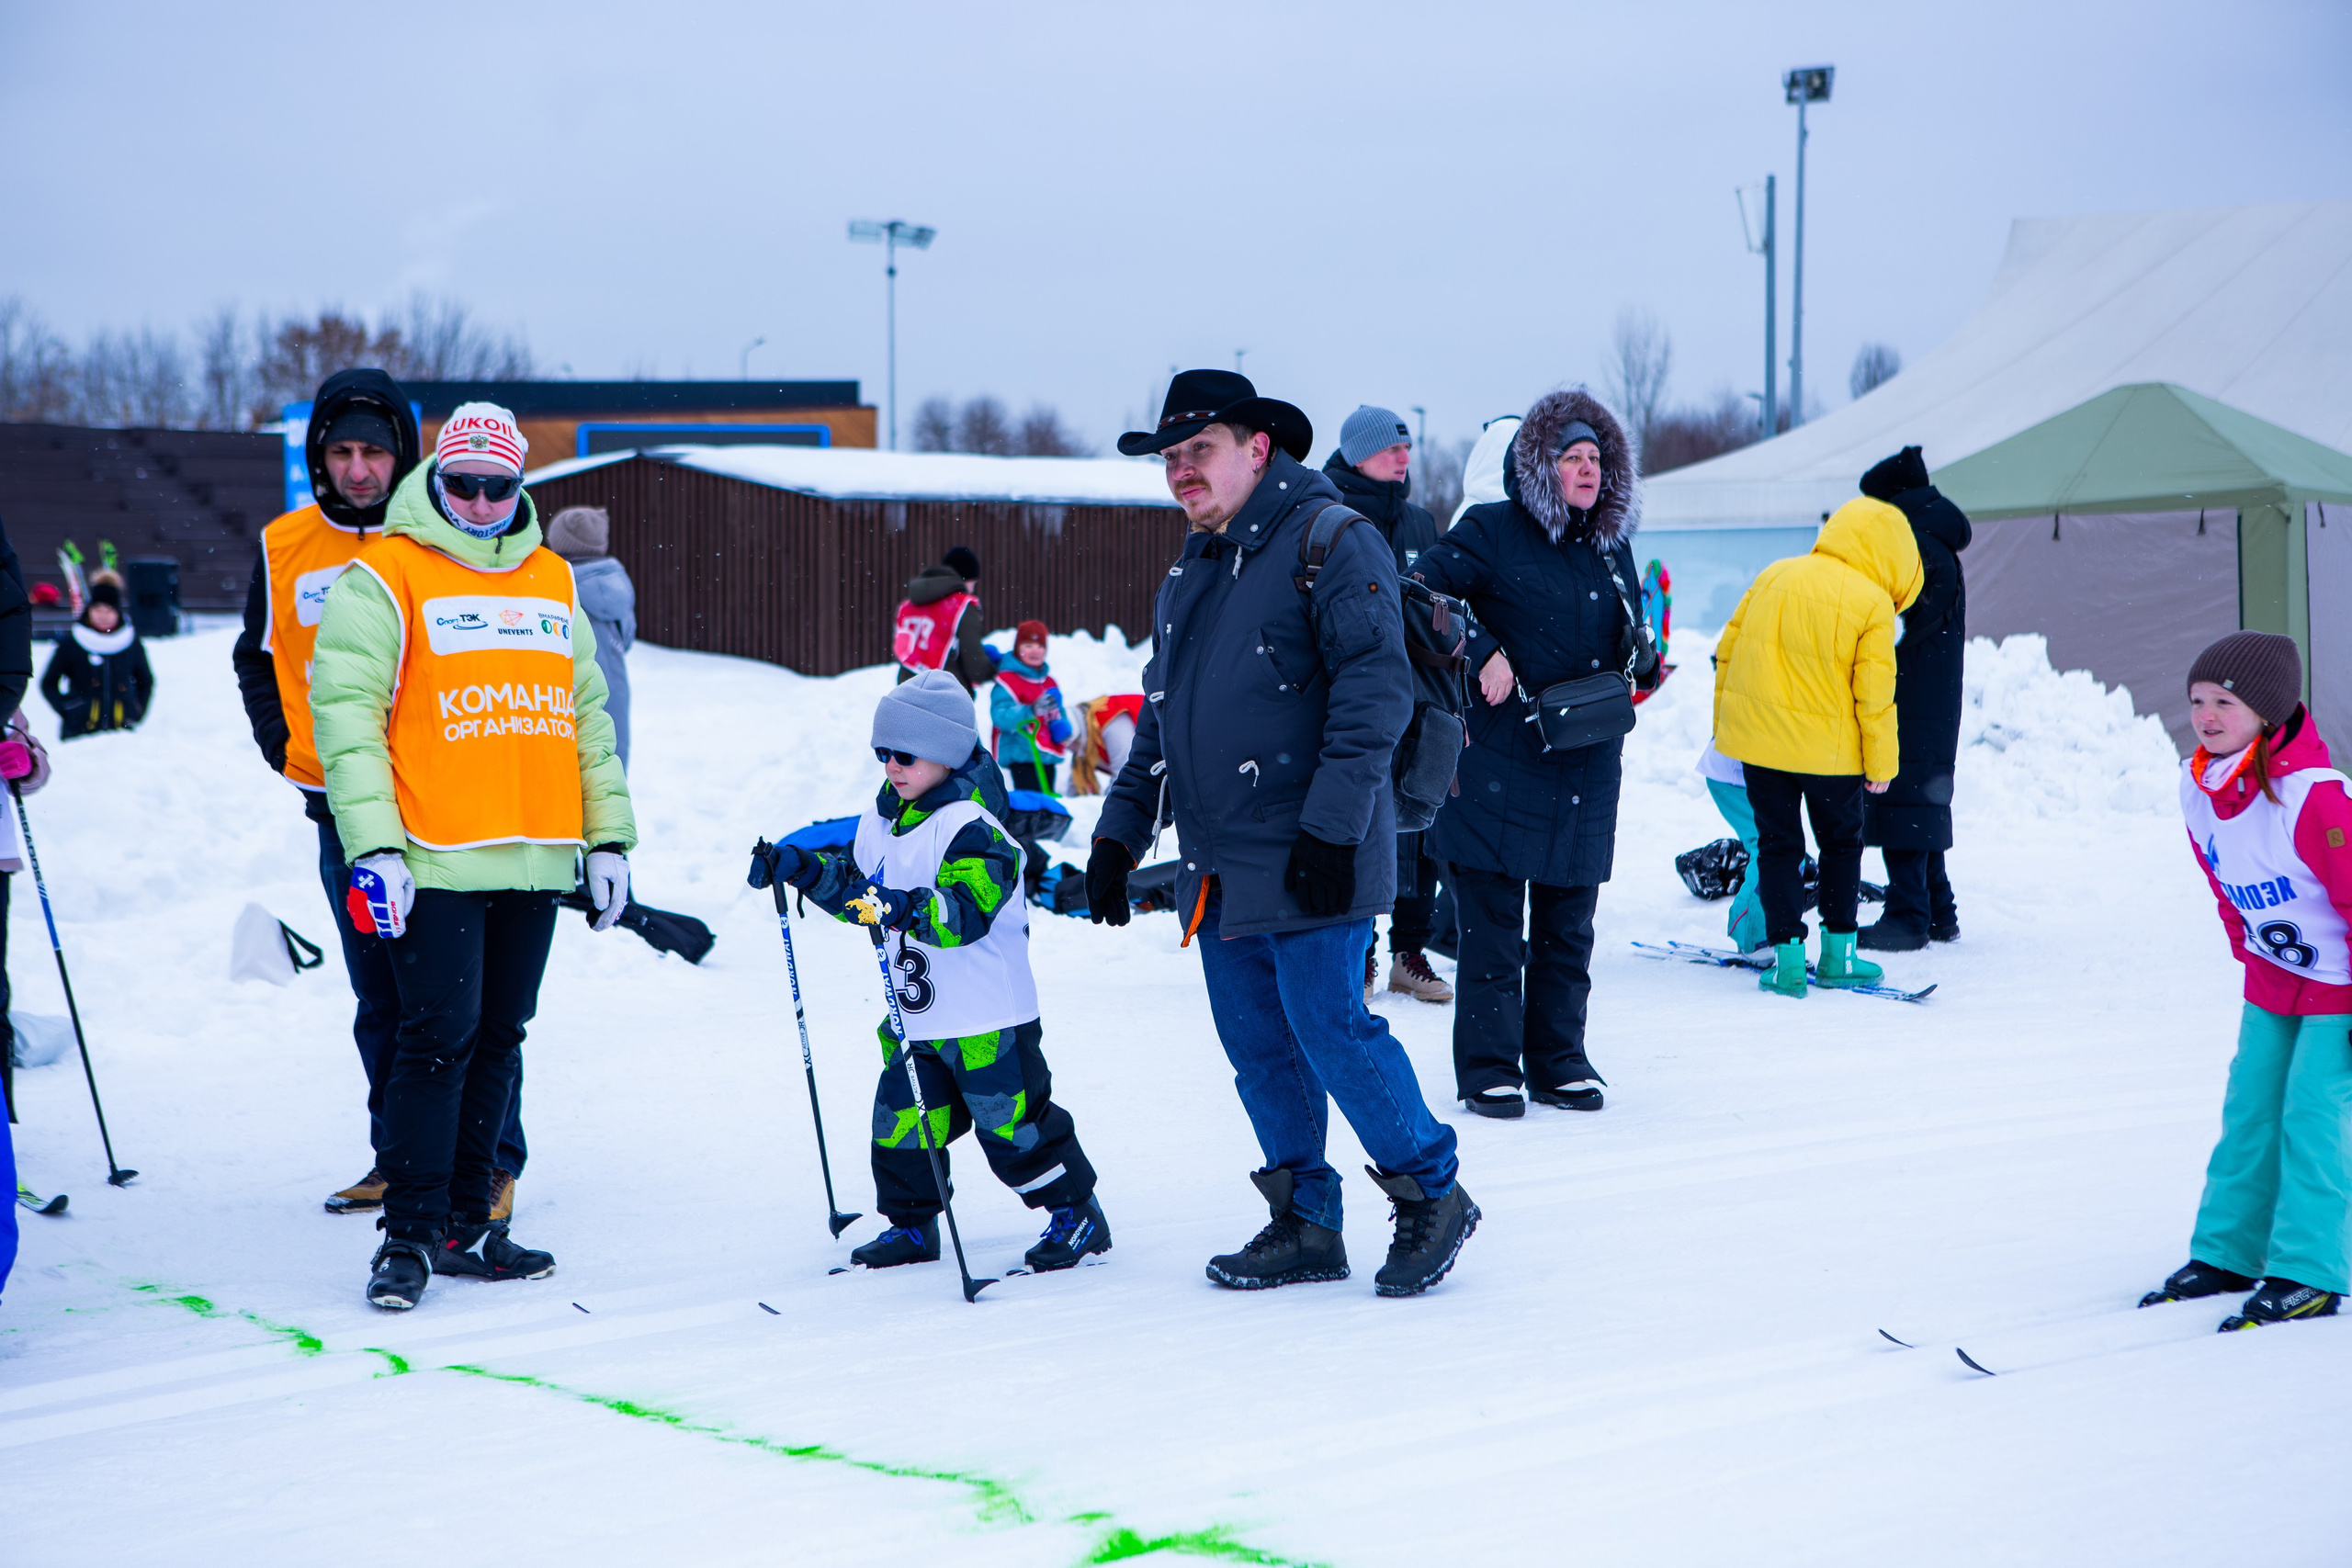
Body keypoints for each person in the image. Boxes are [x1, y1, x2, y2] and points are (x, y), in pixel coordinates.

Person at [1092, 369, 1476, 1299]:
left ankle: (1432, 1191)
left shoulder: (1330, 538)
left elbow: (1374, 692)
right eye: (1171, 458)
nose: (1182, 472)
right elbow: (1163, 713)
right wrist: (1118, 834)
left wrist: (1332, 832)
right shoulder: (1192, 569)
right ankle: (1305, 1218)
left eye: (1200, 452)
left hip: (1316, 847)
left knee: (1330, 1028)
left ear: (1258, 448)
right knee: (1258, 1045)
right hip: (1221, 862)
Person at [312, 401, 636, 1311]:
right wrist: (374, 847)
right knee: (434, 1043)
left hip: (533, 855)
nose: (484, 501)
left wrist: (607, 838)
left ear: (521, 486)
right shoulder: (385, 577)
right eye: (466, 483)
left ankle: (466, 1226)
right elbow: (347, 724)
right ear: (439, 480)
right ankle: (407, 1238)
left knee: (498, 1041)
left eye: (502, 486)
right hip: (437, 857)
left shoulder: (550, 581)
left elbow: (587, 721)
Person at [230, 371, 534, 1219]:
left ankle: (491, 1159)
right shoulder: (283, 545)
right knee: (385, 1000)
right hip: (343, 813)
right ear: (318, 458)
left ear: (404, 453)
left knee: (470, 1005)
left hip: (446, 807)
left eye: (375, 451)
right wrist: (281, 743)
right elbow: (255, 654)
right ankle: (398, 1158)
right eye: (341, 451)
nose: (359, 468)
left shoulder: (444, 538)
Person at [749, 670, 1110, 1272]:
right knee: (902, 1124)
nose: (892, 765)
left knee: (1012, 1127)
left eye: (906, 754)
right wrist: (804, 869)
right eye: (883, 753)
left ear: (944, 755)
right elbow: (858, 893)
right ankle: (912, 1225)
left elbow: (963, 914)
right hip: (915, 1017)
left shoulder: (974, 827)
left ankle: (1075, 1212)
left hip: (987, 1017)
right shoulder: (879, 822)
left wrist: (902, 904)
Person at [1407, 389, 1657, 1119]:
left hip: (1584, 760)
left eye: (1596, 459)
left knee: (1568, 926)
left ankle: (1558, 1059)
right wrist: (1480, 648)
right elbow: (1416, 588)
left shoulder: (1613, 546)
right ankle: (1488, 1066)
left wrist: (1640, 656)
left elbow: (1623, 625)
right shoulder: (1491, 528)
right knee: (1492, 929)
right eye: (1572, 457)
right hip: (1499, 761)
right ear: (1541, 467)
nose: (1587, 469)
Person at [2143, 632, 2352, 1330]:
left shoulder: (2315, 797)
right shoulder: (2198, 786)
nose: (2206, 715)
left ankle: (2310, 1270)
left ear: (2267, 710)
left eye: (2225, 702)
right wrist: (2249, 950)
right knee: (2251, 1113)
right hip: (2273, 981)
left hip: (2338, 986)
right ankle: (2231, 1252)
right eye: (2199, 700)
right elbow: (2222, 878)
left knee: (2314, 1121)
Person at [1713, 494, 1923, 998]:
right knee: (1841, 846)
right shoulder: (1872, 602)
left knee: (1779, 847)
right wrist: (1882, 763)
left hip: (1762, 749)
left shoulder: (1774, 575)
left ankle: (1786, 962)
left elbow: (1727, 653)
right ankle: (1838, 957)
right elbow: (1875, 696)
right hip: (1831, 758)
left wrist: (1727, 729)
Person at [1324, 404, 1456, 1006]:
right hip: (1352, 697)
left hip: (1420, 697)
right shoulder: (1328, 515)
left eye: (1407, 449)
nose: (1404, 457)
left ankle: (1409, 949)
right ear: (1356, 455)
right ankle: (1362, 948)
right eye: (1389, 449)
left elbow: (1444, 610)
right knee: (1359, 822)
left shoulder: (1421, 523)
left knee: (1418, 822)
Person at [1852, 446, 1972, 951]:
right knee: (1920, 796)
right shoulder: (1933, 544)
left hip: (1913, 696)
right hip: (1929, 693)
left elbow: (1898, 623)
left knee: (1904, 797)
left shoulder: (1920, 548)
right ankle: (1937, 908)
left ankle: (1908, 914)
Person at [546, 506, 637, 770]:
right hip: (613, 694)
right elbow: (627, 637)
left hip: (575, 698)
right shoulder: (617, 584)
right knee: (607, 778)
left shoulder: (561, 590)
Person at [40, 578, 153, 739]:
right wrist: (69, 709)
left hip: (122, 732)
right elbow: (49, 682)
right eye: (98, 609)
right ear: (89, 611)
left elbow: (145, 681)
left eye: (108, 610)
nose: (103, 616)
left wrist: (137, 709)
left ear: (117, 613)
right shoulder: (73, 642)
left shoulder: (130, 643)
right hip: (78, 733)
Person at [893, 545, 995, 694]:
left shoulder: (907, 606)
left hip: (906, 688)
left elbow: (902, 649)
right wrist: (996, 668)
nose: (972, 589)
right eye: (973, 582)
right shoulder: (962, 605)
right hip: (947, 693)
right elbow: (976, 667)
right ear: (963, 579)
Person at [989, 619, 1072, 793]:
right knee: (1031, 805)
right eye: (1028, 645)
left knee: (1046, 803)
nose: (1035, 651)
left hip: (1046, 755)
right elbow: (1000, 715)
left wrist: (1062, 728)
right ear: (1018, 648)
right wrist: (1030, 711)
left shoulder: (1049, 682)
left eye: (1040, 646)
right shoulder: (1007, 681)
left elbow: (1058, 710)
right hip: (1021, 753)